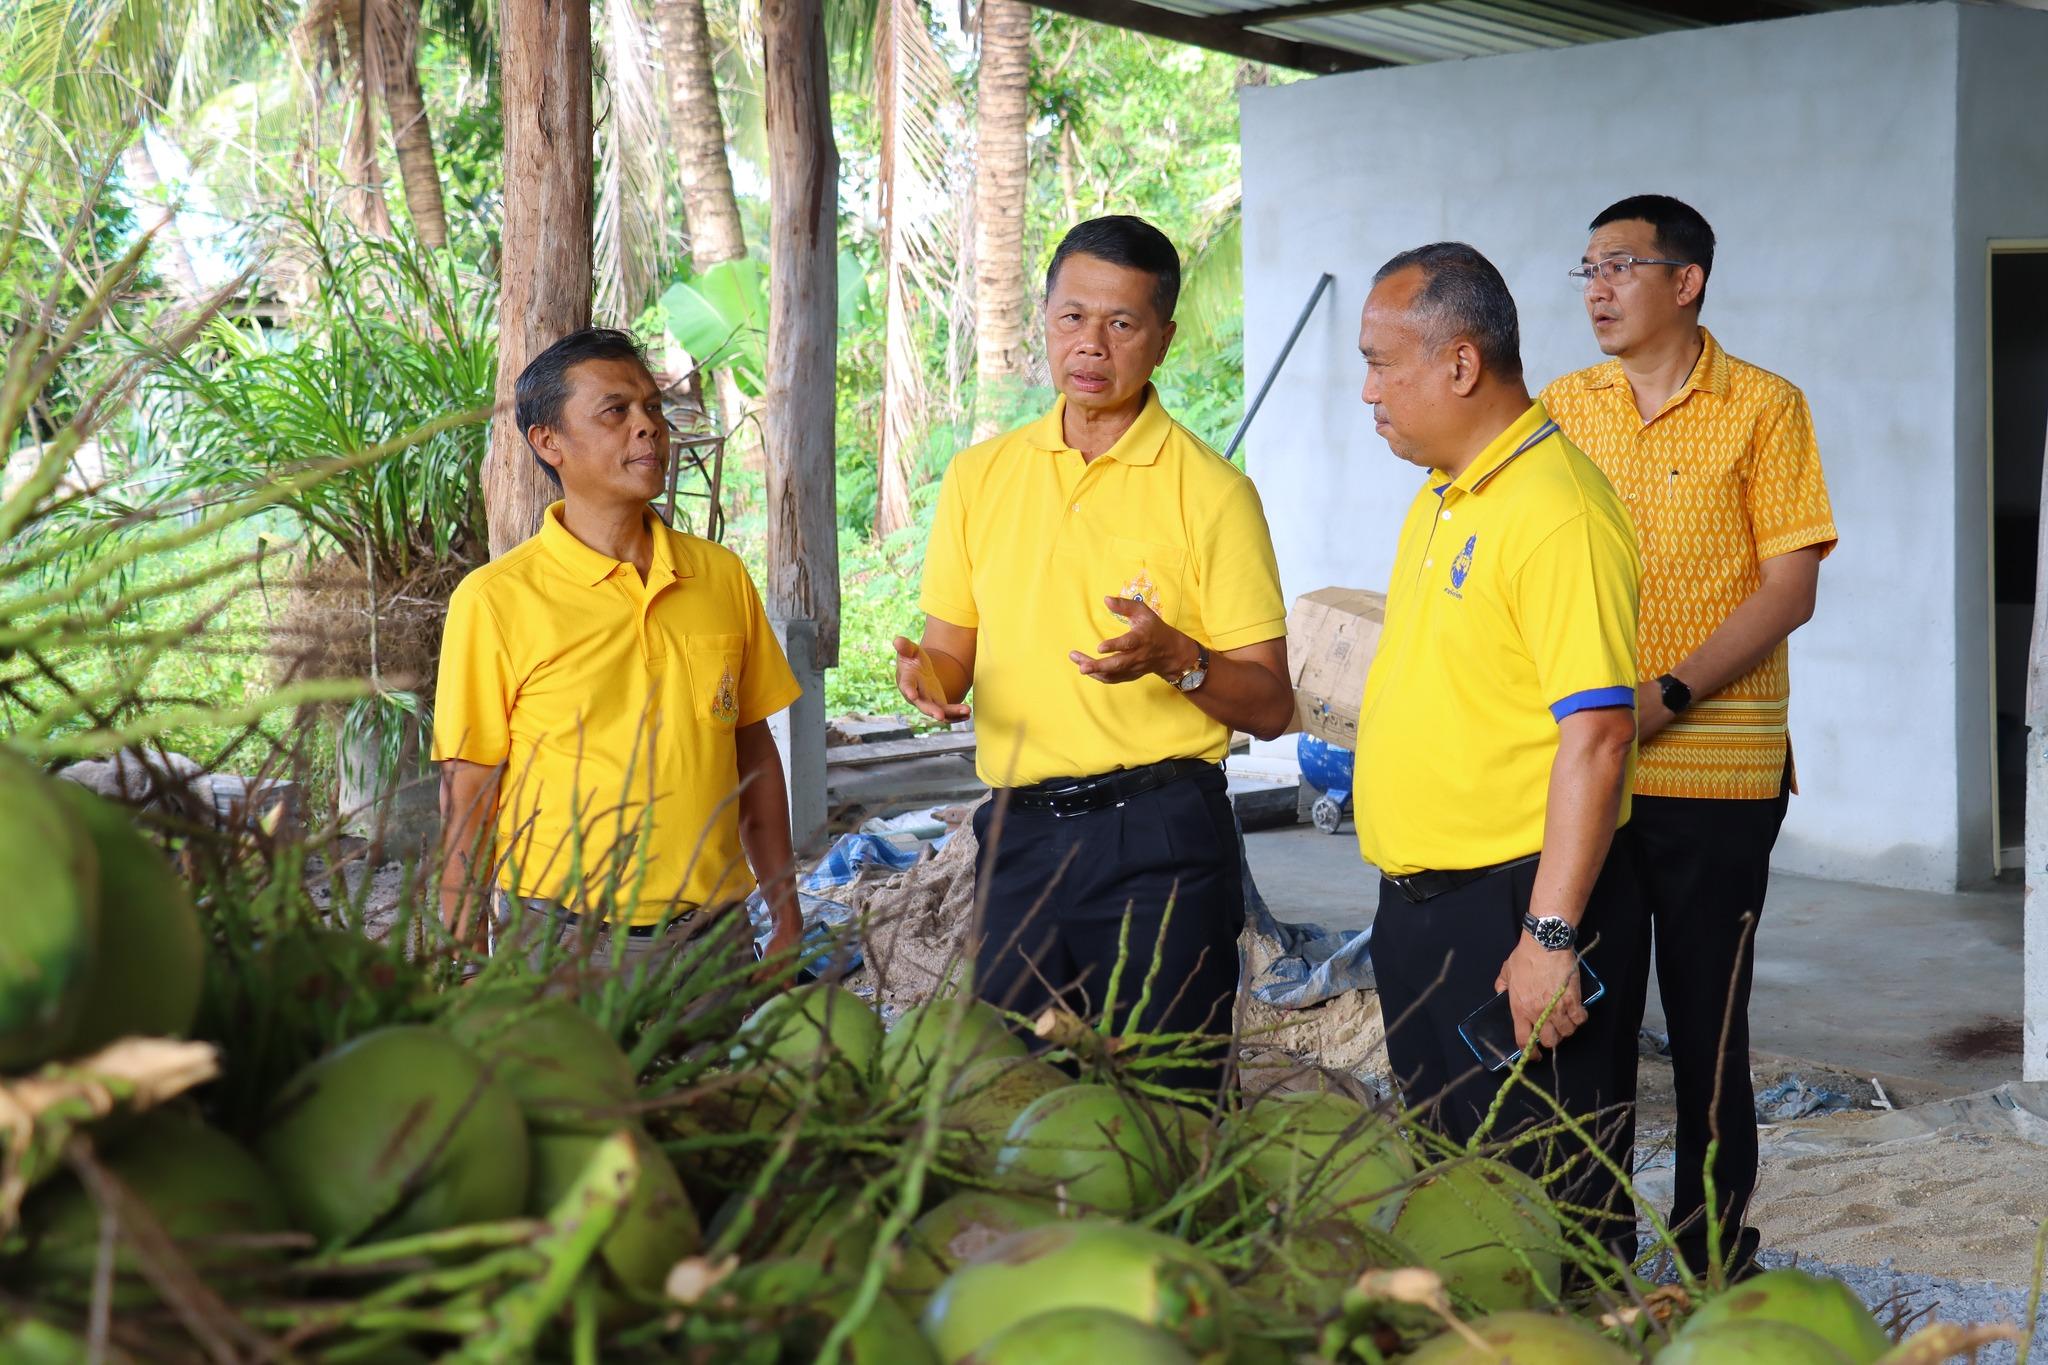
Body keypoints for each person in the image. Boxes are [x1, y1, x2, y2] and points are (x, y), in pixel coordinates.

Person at [895, 215, 1295, 1097]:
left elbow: (1272, 705)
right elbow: (951, 652)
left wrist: (1179, 658)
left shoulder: (1214, 493)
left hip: (1159, 834)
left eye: (1121, 323)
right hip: (1018, 835)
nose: (1091, 345)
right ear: (1043, 319)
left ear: (1164, 339)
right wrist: (928, 678)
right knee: (1013, 1095)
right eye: (1073, 317)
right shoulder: (980, 477)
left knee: (1166, 1101)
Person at [1542, 194, 1838, 1278]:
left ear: (1685, 280)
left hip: (1720, 773)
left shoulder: (1765, 406)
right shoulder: (1560, 408)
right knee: (1590, 1021)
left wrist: (1667, 693)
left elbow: (1789, 587)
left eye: (1618, 266)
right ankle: (1588, 1255)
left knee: (1710, 1027)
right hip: (1590, 772)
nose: (1597, 290)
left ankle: (1711, 1256)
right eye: (1585, 270)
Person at [1352, 242, 1644, 1253]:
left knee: (1548, 1209)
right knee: (1457, 1206)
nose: (1368, 392)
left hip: (1515, 913)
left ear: (1461, 364)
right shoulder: (1444, 495)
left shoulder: (1557, 510)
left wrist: (1548, 936)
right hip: (1423, 910)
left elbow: (1599, 735)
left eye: (1381, 365)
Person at [432, 327, 804, 984]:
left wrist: (786, 914)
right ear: (548, 441)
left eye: (653, 407)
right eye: (615, 411)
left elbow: (753, 754)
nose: (648, 426)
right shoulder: (495, 601)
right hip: (562, 946)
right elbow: (469, 794)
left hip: (712, 940)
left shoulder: (719, 576)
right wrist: (464, 966)